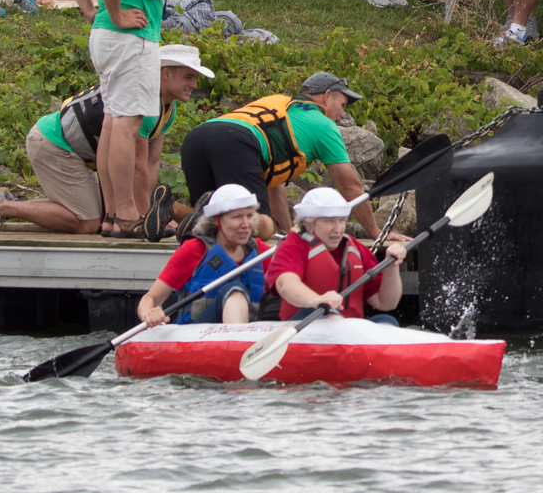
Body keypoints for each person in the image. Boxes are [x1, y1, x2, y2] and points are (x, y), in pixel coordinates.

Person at [0, 45, 212, 238]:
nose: (194, 84)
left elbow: (151, 162)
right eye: (189, 77)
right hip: (54, 144)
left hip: (82, 154)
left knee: (104, 214)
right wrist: (145, 217)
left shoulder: (168, 107)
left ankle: (5, 203)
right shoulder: (142, 103)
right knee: (88, 222)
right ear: (165, 74)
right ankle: (0, 206)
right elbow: (136, 166)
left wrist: (146, 214)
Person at [67, 0, 170, 237]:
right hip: (130, 36)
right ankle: (127, 214)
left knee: (114, 122)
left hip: (107, 36)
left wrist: (90, 11)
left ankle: (113, 215)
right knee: (126, 125)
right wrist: (115, 13)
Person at [179, 72, 385, 240]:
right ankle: (175, 211)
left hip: (196, 137)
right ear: (327, 95)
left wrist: (289, 235)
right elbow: (350, 186)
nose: (343, 115)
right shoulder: (324, 126)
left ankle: (169, 209)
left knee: (207, 224)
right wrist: (376, 233)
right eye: (343, 106)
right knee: (261, 227)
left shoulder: (279, 105)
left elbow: (274, 185)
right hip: (237, 143)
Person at [267, 187, 410, 324]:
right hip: (307, 323)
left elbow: (386, 303)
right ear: (309, 224)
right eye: (330, 221)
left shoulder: (355, 248)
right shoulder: (294, 245)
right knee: (331, 316)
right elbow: (285, 285)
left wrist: (391, 267)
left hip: (347, 330)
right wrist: (317, 300)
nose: (338, 229)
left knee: (387, 321)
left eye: (341, 221)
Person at [137, 185, 272, 327]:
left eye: (250, 216)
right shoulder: (194, 250)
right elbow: (150, 298)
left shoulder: (259, 251)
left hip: (251, 335)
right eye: (237, 217)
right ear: (216, 221)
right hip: (197, 335)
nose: (246, 224)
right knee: (234, 291)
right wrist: (149, 313)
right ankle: (237, 344)